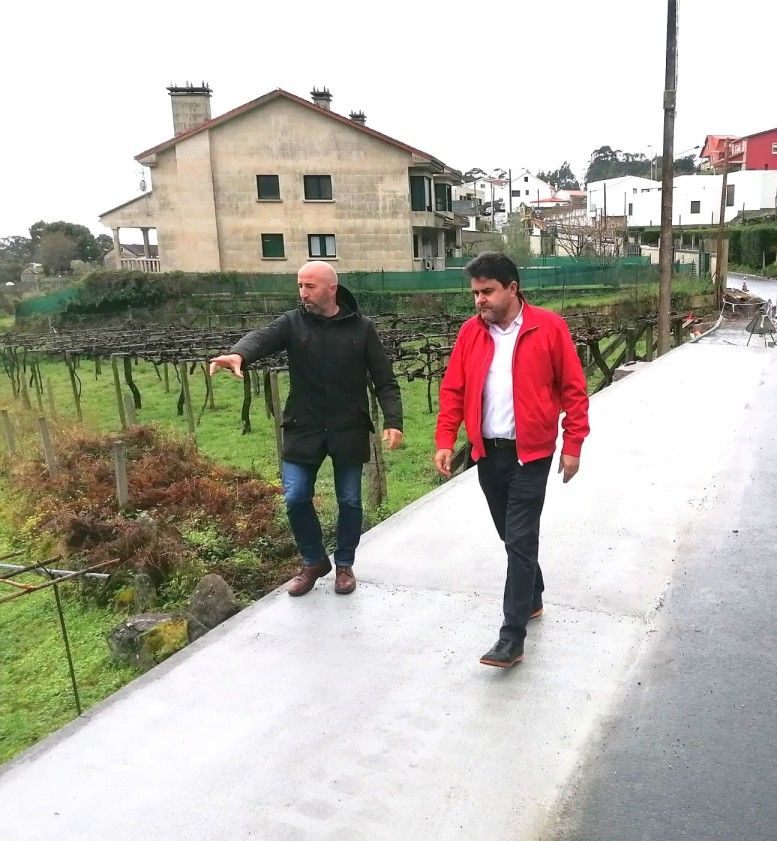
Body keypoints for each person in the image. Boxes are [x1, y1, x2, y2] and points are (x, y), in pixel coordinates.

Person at [433, 251, 590, 669]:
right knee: (510, 537)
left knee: (520, 540)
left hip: (531, 455)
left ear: (512, 289)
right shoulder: (471, 333)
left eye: (487, 292)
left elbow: (574, 389)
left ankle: (512, 636)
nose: (479, 300)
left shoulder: (549, 328)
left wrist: (573, 443)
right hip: (488, 455)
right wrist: (446, 438)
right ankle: (533, 594)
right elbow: (453, 389)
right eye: (475, 293)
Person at [209, 262, 402, 597]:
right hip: (304, 425)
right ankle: (314, 561)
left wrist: (394, 421)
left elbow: (385, 380)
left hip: (347, 427)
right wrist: (239, 354)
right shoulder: (292, 322)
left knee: (350, 501)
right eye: (299, 285)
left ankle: (344, 564)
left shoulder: (362, 329)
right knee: (296, 497)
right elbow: (262, 338)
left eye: (309, 286)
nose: (302, 293)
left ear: (332, 288)